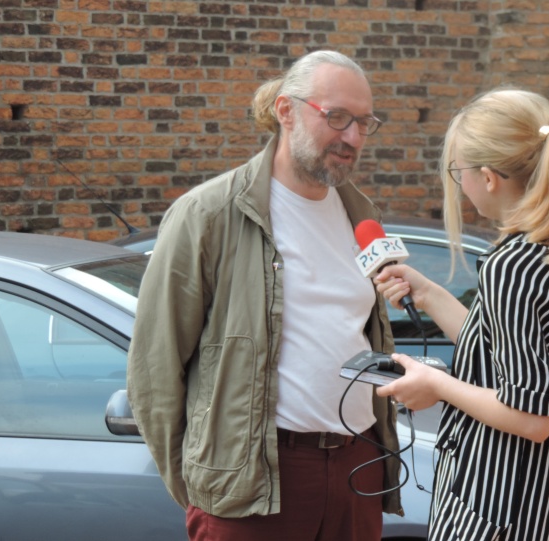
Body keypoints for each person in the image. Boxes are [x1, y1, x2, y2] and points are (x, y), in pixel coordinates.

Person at [126, 50, 401, 541]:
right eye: (336, 117)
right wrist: (201, 486)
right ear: (286, 110)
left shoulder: (361, 214)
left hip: (359, 465)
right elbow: (155, 364)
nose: (352, 138)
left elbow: (354, 337)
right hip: (258, 477)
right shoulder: (209, 214)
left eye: (364, 123)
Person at [374, 88, 549, 540]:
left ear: (488, 177)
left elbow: (532, 417)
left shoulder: (514, 265)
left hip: (504, 513)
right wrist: (429, 295)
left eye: (457, 172)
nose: (458, 185)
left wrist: (435, 385)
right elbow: (508, 358)